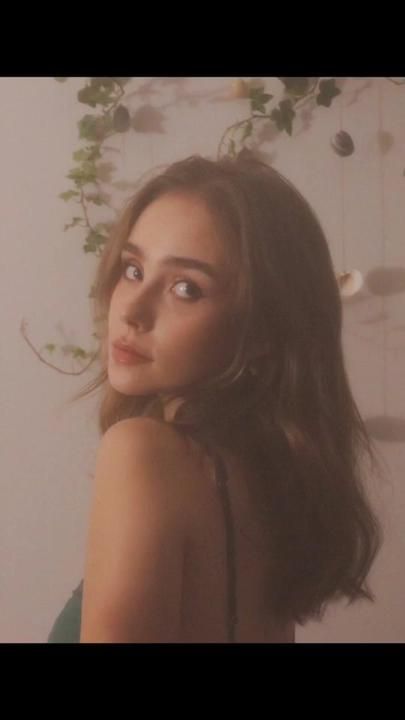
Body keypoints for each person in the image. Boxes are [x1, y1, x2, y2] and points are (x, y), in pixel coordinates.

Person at [47, 153, 383, 643]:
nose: (133, 310)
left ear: (264, 329)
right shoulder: (274, 483)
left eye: (186, 288)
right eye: (133, 269)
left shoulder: (143, 452)